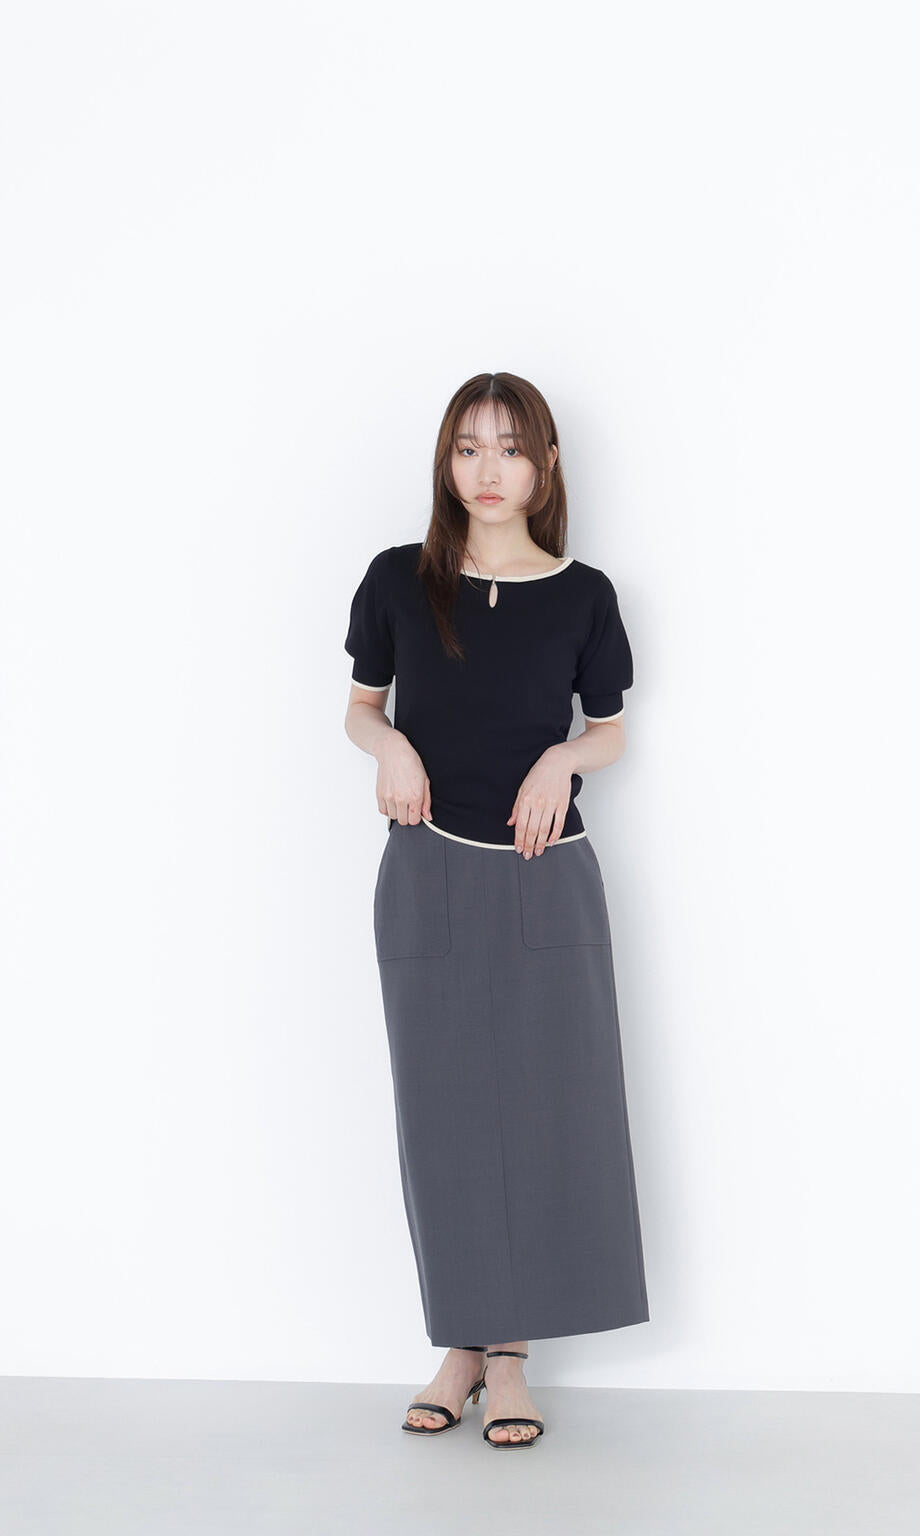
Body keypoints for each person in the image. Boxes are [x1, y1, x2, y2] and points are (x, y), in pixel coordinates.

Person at [342, 372, 649, 1449]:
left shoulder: (583, 595)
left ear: (544, 465)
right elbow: (360, 709)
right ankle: (461, 1347)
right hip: (426, 866)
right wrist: (390, 746)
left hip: (543, 869)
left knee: (548, 1108)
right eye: (468, 447)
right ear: (447, 461)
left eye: (510, 448)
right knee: (446, 1117)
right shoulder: (398, 579)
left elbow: (608, 729)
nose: (488, 469)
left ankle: (509, 1358)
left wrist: (563, 760)